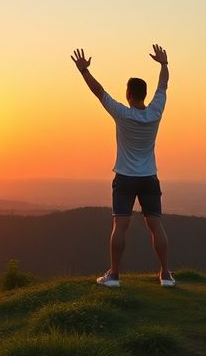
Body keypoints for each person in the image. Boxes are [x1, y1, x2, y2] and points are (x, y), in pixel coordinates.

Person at [71, 44, 174, 288]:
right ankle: (166, 275)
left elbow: (99, 92)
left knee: (120, 225)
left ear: (128, 94)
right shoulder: (155, 112)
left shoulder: (121, 113)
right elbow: (163, 86)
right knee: (156, 225)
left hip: (125, 177)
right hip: (149, 176)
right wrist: (164, 64)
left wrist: (84, 71)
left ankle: (114, 275)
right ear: (144, 95)